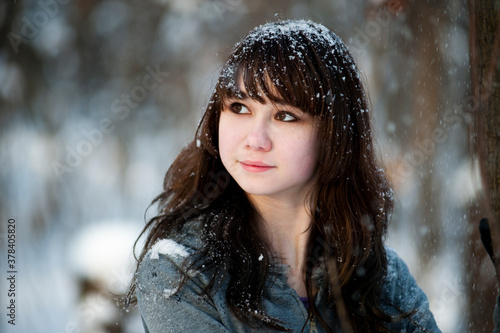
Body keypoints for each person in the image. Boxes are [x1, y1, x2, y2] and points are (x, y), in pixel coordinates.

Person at [127, 19, 441, 332]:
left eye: (285, 116)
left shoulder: (380, 277)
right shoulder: (181, 274)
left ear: (334, 135)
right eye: (239, 107)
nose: (255, 139)